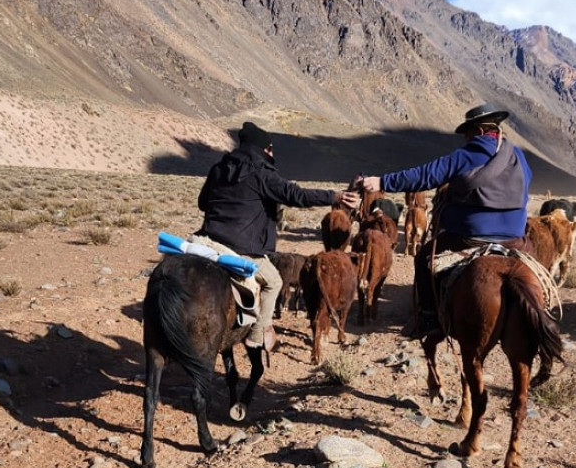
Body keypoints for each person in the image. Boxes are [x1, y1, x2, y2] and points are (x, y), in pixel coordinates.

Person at [361, 103, 533, 337]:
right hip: (514, 236)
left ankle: (429, 317)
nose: (465, 139)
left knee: (424, 259)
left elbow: (425, 176)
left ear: (479, 131)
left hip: (472, 235)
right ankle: (542, 309)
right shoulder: (519, 157)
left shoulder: (466, 155)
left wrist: (383, 182)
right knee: (535, 265)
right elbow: (526, 185)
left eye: (467, 133)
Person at [197, 121, 360, 363]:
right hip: (241, 248)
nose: (272, 153)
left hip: (208, 241)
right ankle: (256, 336)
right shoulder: (262, 173)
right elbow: (296, 195)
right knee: (273, 281)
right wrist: (334, 196)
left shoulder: (219, 168)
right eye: (270, 148)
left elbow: (202, 203)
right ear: (264, 149)